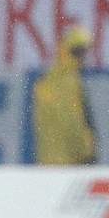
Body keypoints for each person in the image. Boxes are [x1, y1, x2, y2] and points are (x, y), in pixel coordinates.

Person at [33, 28, 96, 165]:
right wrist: (86, 152)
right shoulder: (70, 82)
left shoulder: (46, 80)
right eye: (80, 53)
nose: (83, 58)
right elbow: (73, 122)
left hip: (48, 161)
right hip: (70, 162)